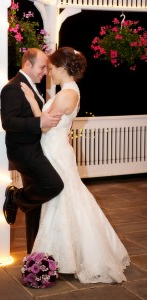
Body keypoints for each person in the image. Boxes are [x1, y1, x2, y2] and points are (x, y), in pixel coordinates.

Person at [20, 46, 131, 283]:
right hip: (54, 150)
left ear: (61, 68)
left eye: (51, 68)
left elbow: (46, 125)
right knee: (63, 198)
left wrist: (31, 101)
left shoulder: (67, 94)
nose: (49, 72)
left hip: (56, 152)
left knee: (64, 198)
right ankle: (56, 257)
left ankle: (61, 257)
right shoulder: (68, 91)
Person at [0, 48, 64, 254]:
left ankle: (33, 255)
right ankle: (16, 197)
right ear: (28, 64)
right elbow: (8, 122)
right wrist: (39, 122)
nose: (45, 71)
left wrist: (42, 122)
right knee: (54, 184)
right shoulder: (12, 88)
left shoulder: (29, 86)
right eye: (42, 67)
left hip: (34, 149)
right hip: (24, 152)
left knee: (34, 207)